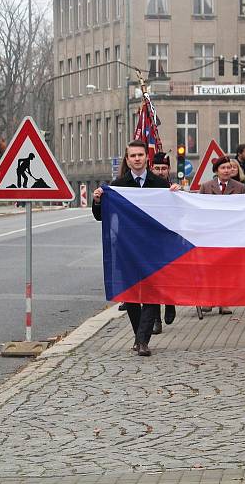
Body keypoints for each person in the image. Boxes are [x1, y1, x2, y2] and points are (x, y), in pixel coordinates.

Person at [92, 141, 179, 356]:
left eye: (141, 155)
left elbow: (174, 215)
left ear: (146, 158)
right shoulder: (118, 185)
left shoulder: (159, 184)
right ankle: (139, 335)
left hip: (153, 249)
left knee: (151, 294)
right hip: (126, 247)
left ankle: (142, 341)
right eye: (133, 155)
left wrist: (177, 195)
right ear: (127, 159)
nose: (137, 158)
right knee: (131, 294)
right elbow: (101, 216)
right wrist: (97, 201)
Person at [197, 156, 245, 318]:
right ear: (216, 171)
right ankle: (209, 300)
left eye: (229, 167)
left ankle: (224, 302)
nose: (226, 170)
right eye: (223, 168)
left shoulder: (240, 187)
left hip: (231, 235)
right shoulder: (205, 187)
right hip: (211, 235)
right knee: (210, 268)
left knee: (227, 269)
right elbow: (199, 208)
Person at [149, 152, 177, 334]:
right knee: (154, 280)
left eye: (164, 168)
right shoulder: (147, 188)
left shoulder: (173, 188)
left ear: (168, 170)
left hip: (169, 240)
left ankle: (170, 303)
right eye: (157, 168)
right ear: (152, 169)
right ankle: (155, 320)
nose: (160, 172)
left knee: (168, 277)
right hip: (151, 240)